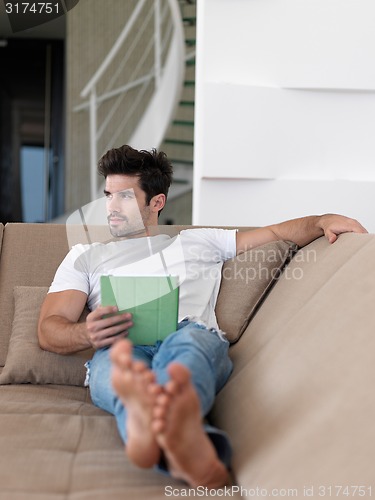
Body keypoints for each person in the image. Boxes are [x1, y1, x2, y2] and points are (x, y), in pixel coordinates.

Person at [38, 144, 368, 489]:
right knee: (117, 368)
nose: (110, 207)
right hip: (119, 344)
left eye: (123, 197)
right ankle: (183, 441)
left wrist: (320, 221)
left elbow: (276, 233)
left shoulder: (198, 241)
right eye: (108, 196)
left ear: (157, 202)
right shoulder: (85, 256)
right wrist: (87, 334)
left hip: (187, 332)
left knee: (187, 352)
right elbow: (49, 330)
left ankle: (151, 427)